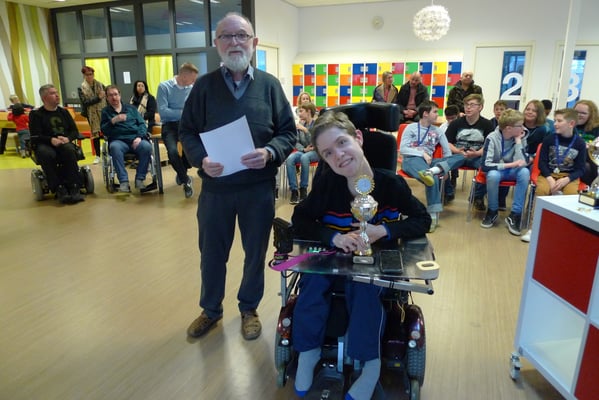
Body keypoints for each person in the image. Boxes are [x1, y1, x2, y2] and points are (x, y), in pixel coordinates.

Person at [291, 110, 431, 400]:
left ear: (358, 138)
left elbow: (423, 220)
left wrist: (384, 231)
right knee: (312, 282)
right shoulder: (328, 186)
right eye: (328, 153)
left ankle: (370, 364)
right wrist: (334, 237)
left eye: (342, 143)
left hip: (373, 264)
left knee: (365, 287)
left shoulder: (391, 185)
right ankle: (308, 351)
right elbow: (300, 220)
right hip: (334, 257)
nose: (338, 156)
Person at [179, 12, 296, 341]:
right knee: (212, 254)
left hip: (257, 190)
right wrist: (201, 159)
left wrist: (269, 152)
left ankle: (249, 309)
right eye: (227, 36)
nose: (235, 42)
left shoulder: (269, 86)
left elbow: (288, 133)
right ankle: (210, 310)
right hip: (215, 190)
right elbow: (187, 132)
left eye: (241, 35)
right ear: (216, 43)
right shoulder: (204, 87)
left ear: (253, 42)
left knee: (254, 254)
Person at [521, 108, 587, 242]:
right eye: (555, 120)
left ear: (571, 124)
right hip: (548, 174)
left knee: (571, 195)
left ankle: (565, 230)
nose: (555, 124)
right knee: (542, 191)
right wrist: (549, 178)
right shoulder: (549, 139)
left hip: (569, 176)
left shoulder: (580, 143)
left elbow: (580, 169)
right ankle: (534, 228)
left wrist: (567, 179)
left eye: (559, 121)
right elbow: (542, 163)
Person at [399, 100, 464, 232]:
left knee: (461, 156)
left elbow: (447, 152)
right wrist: (422, 153)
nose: (437, 115)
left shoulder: (438, 131)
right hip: (412, 159)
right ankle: (432, 216)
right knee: (432, 178)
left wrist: (446, 169)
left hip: (430, 162)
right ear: (425, 114)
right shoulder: (410, 128)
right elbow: (403, 149)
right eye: (435, 112)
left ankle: (434, 170)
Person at [29, 84, 84, 204]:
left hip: (63, 142)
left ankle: (74, 186)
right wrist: (51, 140)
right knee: (46, 154)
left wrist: (68, 138)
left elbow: (74, 131)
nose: (57, 95)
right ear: (44, 98)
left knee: (69, 150)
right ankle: (59, 188)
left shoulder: (64, 112)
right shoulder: (36, 115)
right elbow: (35, 136)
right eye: (53, 93)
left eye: (56, 92)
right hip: (46, 143)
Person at [479, 109, 530, 235]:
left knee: (524, 172)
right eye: (520, 125)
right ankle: (492, 210)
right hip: (498, 170)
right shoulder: (492, 137)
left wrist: (518, 142)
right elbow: (485, 165)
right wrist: (510, 165)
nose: (523, 128)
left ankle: (515, 214)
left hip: (512, 171)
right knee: (492, 175)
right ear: (508, 128)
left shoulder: (522, 136)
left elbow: (523, 162)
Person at [445, 93, 495, 210]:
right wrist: (457, 151)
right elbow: (447, 142)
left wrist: (477, 153)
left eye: (472, 105)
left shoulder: (487, 124)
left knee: (487, 168)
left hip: (477, 156)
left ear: (480, 107)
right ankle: (448, 192)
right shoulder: (456, 123)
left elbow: (489, 146)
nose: (468, 107)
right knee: (442, 166)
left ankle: (477, 197)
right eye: (466, 104)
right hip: (458, 155)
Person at [157, 62, 199, 198]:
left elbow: (194, 109)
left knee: (194, 151)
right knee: (173, 152)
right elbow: (163, 112)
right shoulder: (164, 87)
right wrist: (183, 113)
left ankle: (182, 169)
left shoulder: (191, 88)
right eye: (192, 79)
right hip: (169, 126)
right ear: (184, 76)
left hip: (186, 125)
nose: (194, 82)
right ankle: (185, 180)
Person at [100, 85, 152, 193]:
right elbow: (104, 130)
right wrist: (113, 121)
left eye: (115, 94)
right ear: (107, 98)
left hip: (135, 139)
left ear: (120, 95)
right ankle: (123, 181)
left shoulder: (131, 109)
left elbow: (142, 124)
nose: (114, 97)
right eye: (110, 95)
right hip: (118, 140)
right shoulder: (105, 112)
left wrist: (139, 137)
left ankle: (140, 179)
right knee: (114, 147)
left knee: (146, 147)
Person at [287, 102, 319, 204]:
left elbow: (315, 142)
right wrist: (304, 149)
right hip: (304, 151)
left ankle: (303, 189)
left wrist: (305, 130)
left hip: (316, 152)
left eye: (301, 111)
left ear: (308, 111)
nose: (299, 114)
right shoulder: (300, 125)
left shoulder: (317, 124)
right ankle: (294, 190)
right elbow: (295, 142)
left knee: (305, 158)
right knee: (290, 158)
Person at [78, 66, 107, 165]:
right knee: (95, 134)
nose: (89, 76)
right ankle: (98, 156)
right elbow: (85, 102)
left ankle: (109, 152)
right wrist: (98, 98)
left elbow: (106, 98)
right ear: (84, 75)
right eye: (87, 75)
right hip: (91, 114)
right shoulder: (81, 88)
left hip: (103, 111)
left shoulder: (100, 85)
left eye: (91, 74)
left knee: (107, 131)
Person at [573, 99, 599, 186]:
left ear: (591, 115)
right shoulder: (568, 125)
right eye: (576, 112)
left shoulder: (597, 128)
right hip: (571, 156)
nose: (578, 115)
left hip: (590, 159)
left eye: (583, 113)